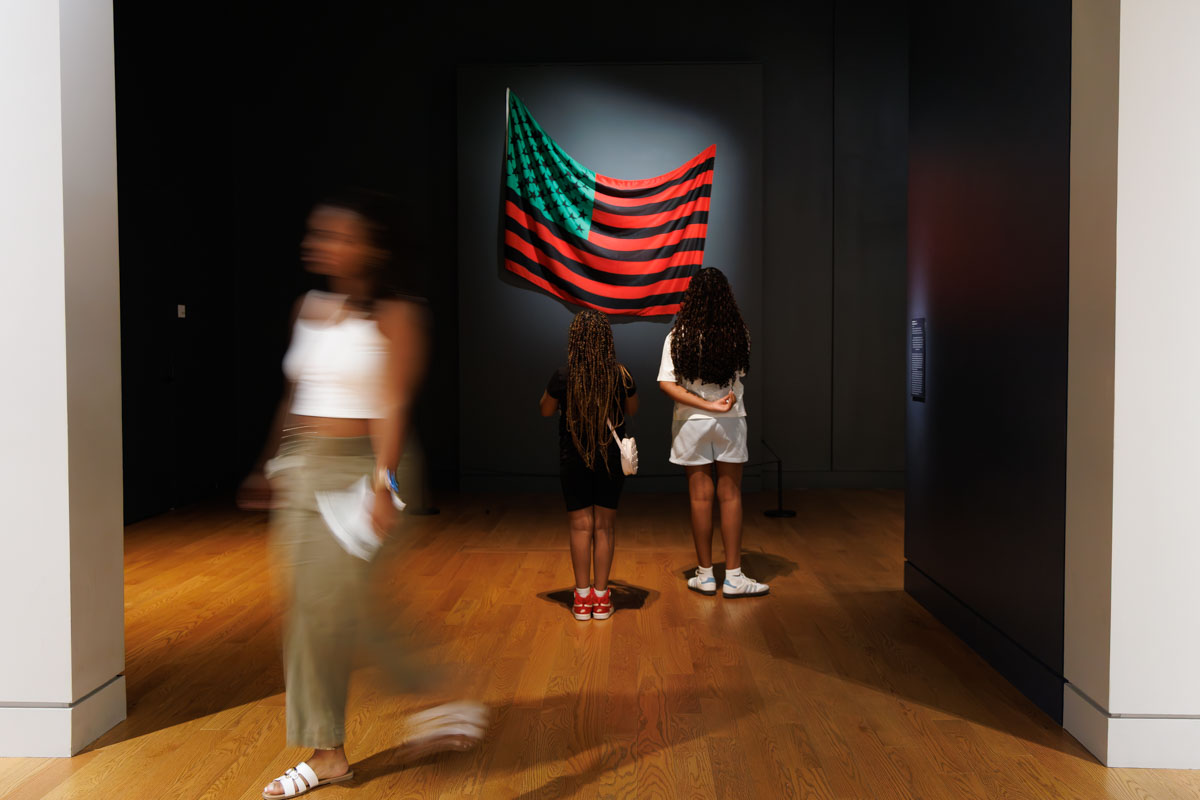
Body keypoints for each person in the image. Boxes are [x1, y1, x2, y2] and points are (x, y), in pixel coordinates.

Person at [239, 190, 486, 798]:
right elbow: (294, 395)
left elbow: (393, 402)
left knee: (354, 606)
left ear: (373, 247)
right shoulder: (307, 307)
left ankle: (438, 691)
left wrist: (384, 482)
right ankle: (327, 754)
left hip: (367, 467)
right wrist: (269, 463)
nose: (323, 245)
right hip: (303, 466)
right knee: (305, 611)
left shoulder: (398, 314)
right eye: (319, 234)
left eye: (340, 235)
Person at [657, 267, 769, 598]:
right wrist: (724, 401)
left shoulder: (678, 336)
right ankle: (733, 577)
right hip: (730, 420)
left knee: (700, 497)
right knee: (731, 495)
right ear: (726, 296)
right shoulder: (739, 333)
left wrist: (704, 406)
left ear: (691, 297)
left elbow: (667, 384)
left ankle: (705, 575)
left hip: (690, 423)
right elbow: (738, 378)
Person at [539, 309, 638, 621]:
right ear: (607, 341)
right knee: (604, 527)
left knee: (581, 527)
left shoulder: (563, 376)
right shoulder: (622, 375)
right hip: (610, 460)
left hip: (574, 458)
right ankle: (602, 599)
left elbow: (545, 410)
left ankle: (582, 601)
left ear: (575, 341)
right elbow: (632, 409)